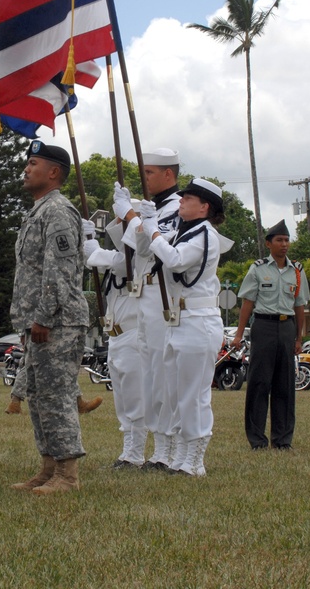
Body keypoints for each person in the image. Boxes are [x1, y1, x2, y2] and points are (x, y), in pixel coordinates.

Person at [138, 178, 233, 476]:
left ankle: (195, 460)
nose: (181, 201)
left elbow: (176, 261)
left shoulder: (205, 235)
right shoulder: (186, 231)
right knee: (176, 392)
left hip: (198, 320)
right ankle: (180, 456)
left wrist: (152, 228)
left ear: (204, 207)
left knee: (194, 393)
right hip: (180, 320)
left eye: (188, 198)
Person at [9, 141, 88, 495]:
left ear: (53, 172)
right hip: (39, 322)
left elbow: (61, 270)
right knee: (39, 396)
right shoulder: (38, 212)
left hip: (58, 321)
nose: (26, 169)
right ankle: (48, 468)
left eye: (33, 163)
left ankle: (68, 476)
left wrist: (43, 317)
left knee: (56, 395)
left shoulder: (58, 211)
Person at [113, 148, 183, 470]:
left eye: (150, 172)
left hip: (163, 297)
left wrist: (132, 215)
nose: (145, 179)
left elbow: (157, 246)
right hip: (145, 297)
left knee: (163, 374)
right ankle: (144, 449)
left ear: (168, 174)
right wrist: (126, 215)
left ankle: (167, 450)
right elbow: (139, 247)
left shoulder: (178, 207)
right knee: (146, 377)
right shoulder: (153, 209)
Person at [233, 219, 310, 450]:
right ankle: (257, 440)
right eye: (279, 240)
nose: (284, 244)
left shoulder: (297, 271)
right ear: (269, 244)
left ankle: (282, 440)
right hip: (264, 327)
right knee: (259, 383)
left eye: (287, 240)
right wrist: (238, 334)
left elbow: (300, 306)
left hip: (287, 328)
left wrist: (299, 338)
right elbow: (248, 303)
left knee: (285, 385)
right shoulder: (257, 269)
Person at [82, 206, 143, 468]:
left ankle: (136, 451)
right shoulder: (118, 256)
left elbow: (99, 258)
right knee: (121, 396)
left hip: (134, 334)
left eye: (123, 222)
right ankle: (128, 449)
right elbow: (95, 258)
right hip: (116, 336)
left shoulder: (138, 256)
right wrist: (89, 242)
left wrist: (90, 242)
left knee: (134, 397)